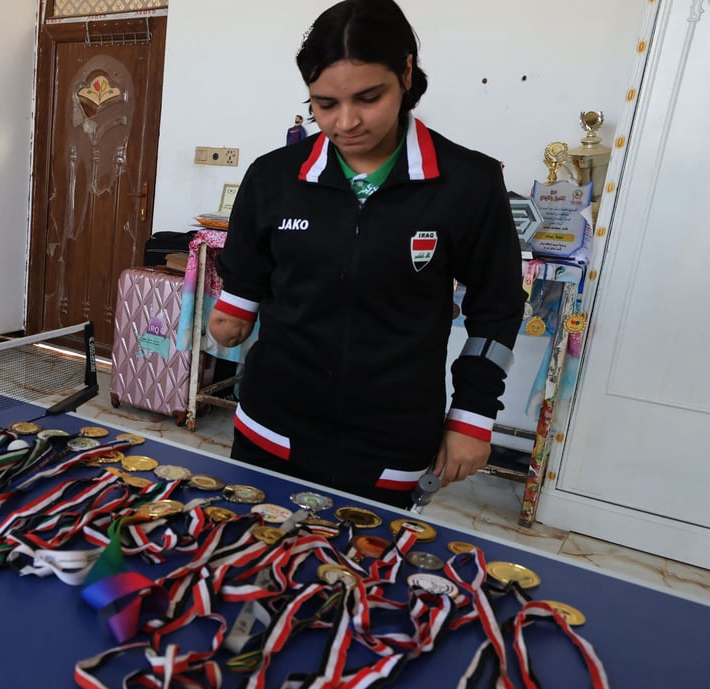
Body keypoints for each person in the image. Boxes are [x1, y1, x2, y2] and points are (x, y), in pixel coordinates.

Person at [208, 0, 526, 509]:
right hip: (272, 426)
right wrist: (236, 304)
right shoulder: (273, 176)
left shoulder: (469, 183)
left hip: (390, 441)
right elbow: (248, 264)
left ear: (405, 72)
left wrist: (473, 415)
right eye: (325, 104)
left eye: (369, 97)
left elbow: (497, 308)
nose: (346, 122)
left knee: (364, 581)